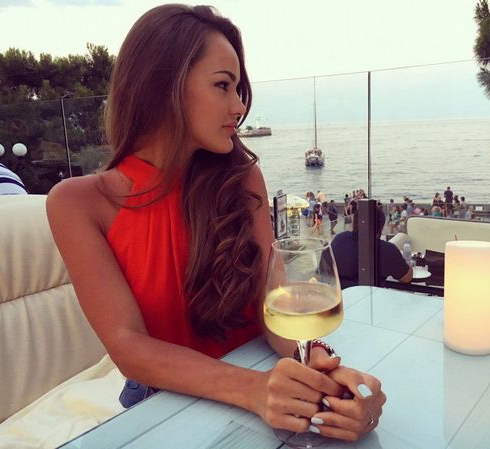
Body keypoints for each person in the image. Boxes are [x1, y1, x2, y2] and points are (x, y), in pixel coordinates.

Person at [46, 5, 384, 442]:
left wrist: (319, 363)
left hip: (263, 375)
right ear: (161, 87)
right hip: (165, 400)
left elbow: (272, 307)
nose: (239, 106)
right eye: (223, 85)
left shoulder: (242, 179)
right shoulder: (78, 203)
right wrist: (255, 390)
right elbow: (128, 346)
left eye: (239, 89)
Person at [330, 206, 413, 289]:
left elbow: (326, 271)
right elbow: (406, 278)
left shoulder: (339, 240)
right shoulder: (388, 250)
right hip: (371, 295)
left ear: (353, 223)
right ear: (380, 229)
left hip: (341, 294)